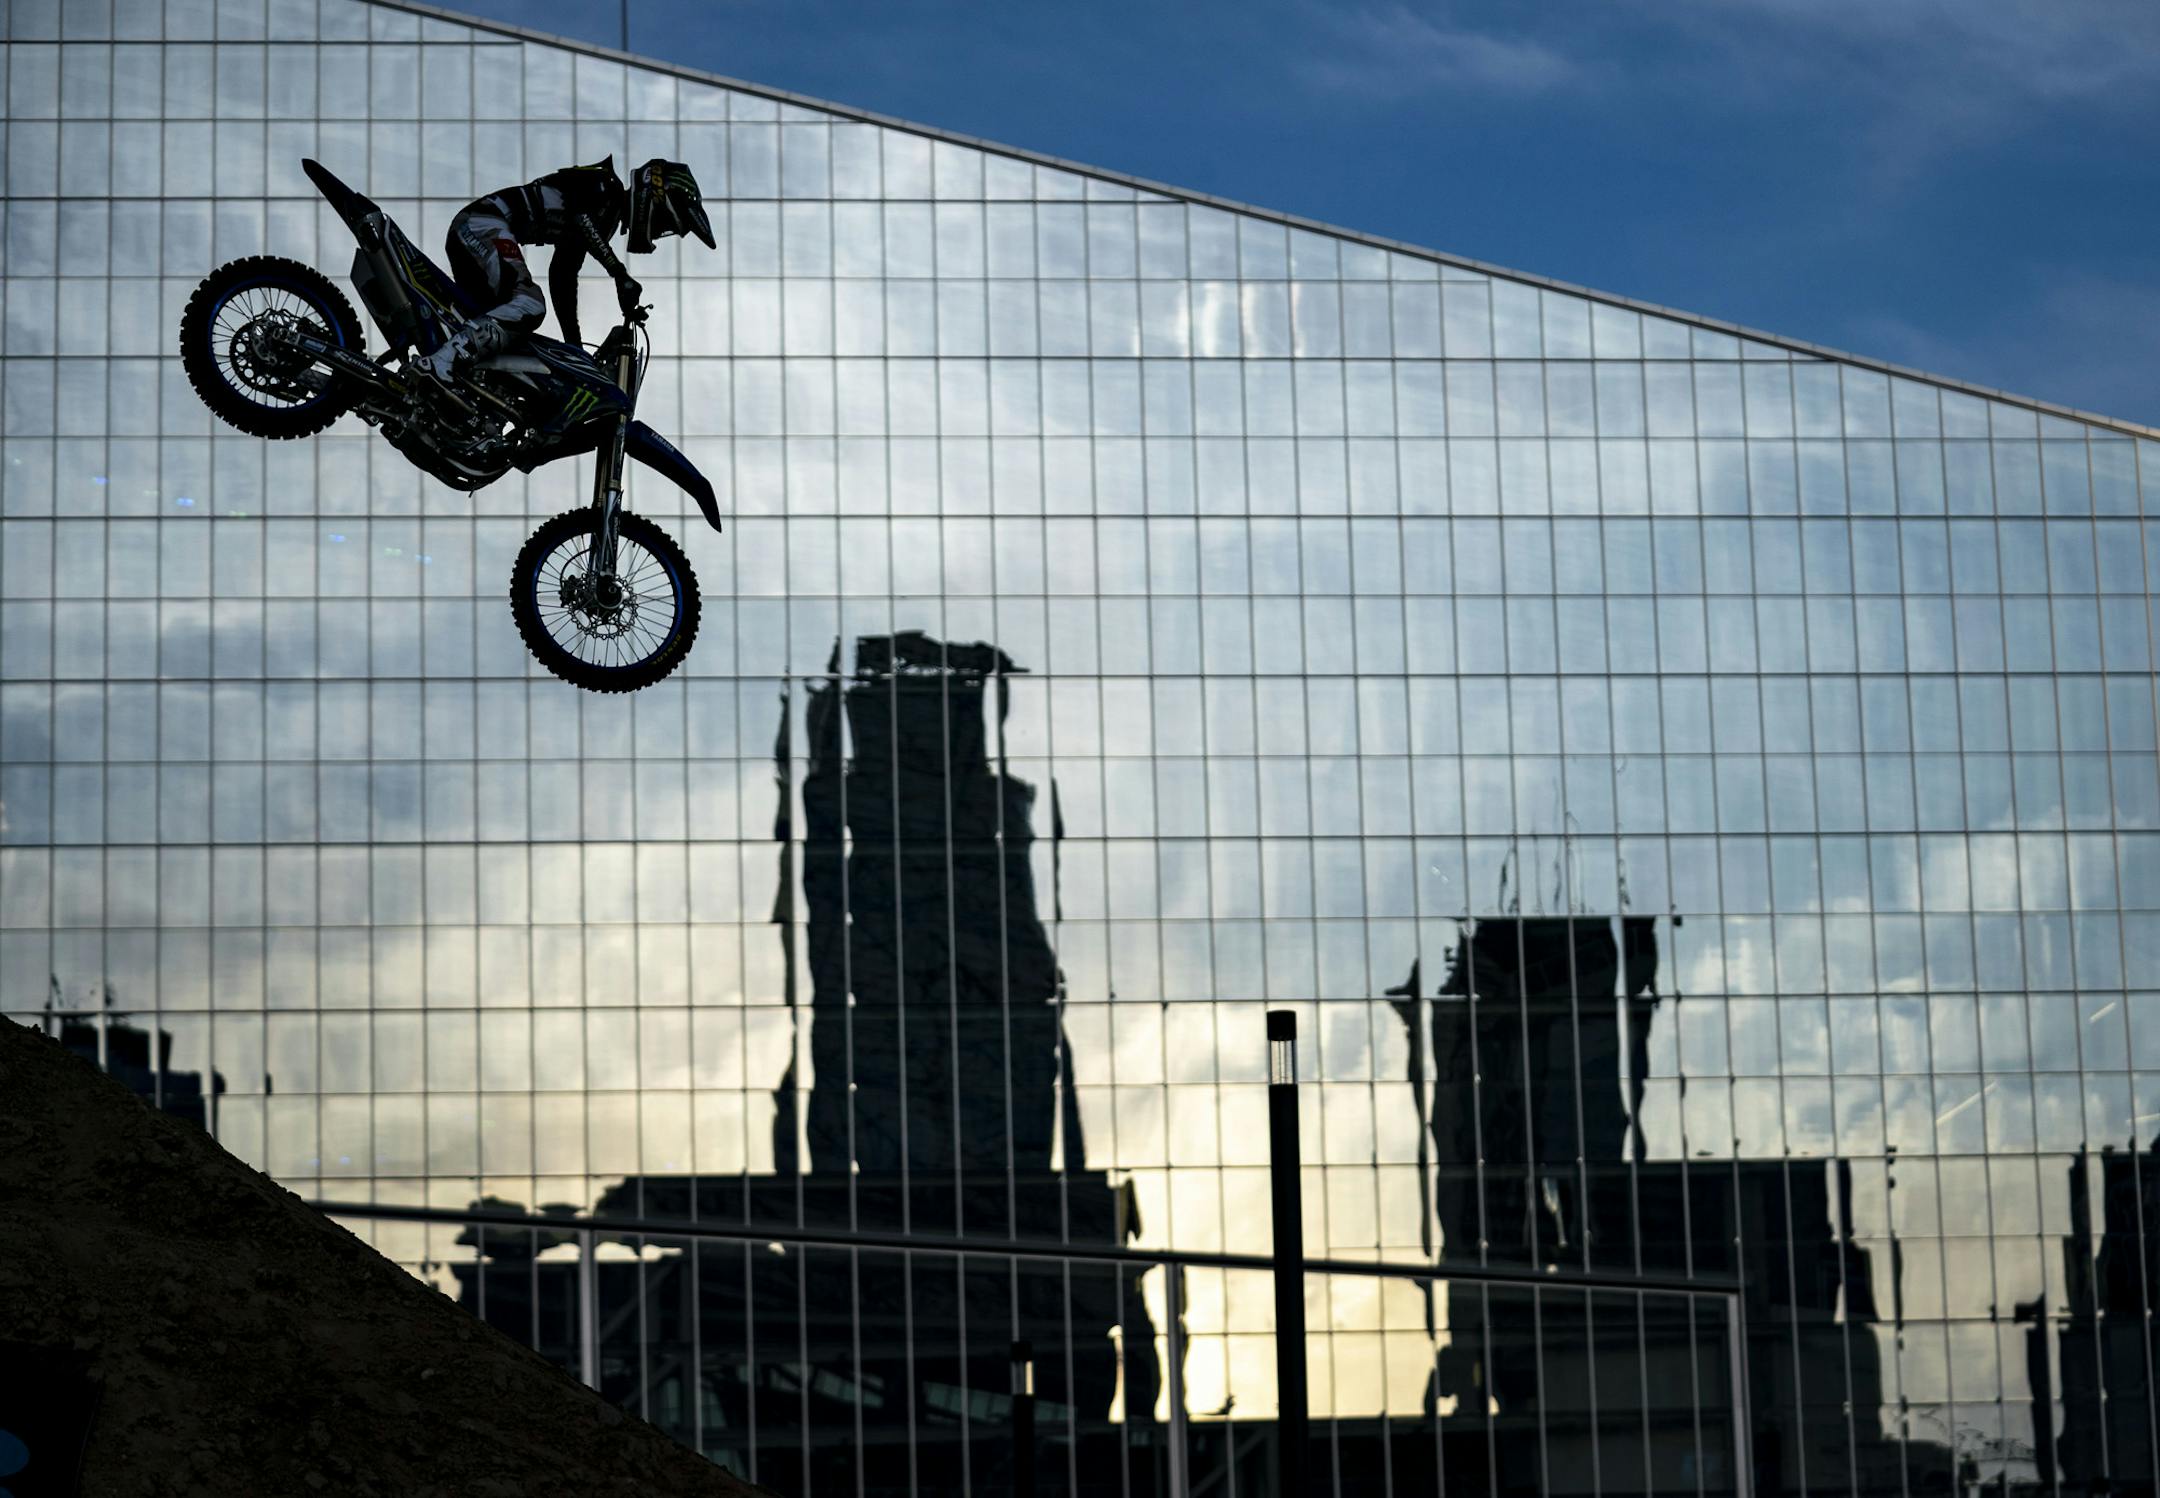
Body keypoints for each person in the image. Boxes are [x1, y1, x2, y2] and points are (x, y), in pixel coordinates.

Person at [422, 156, 715, 380]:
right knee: (528, 303)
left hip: (480, 228)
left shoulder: (605, 220)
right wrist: (619, 274)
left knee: (503, 332)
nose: (658, 231)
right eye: (664, 223)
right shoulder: (604, 186)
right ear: (654, 195)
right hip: (486, 223)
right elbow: (581, 220)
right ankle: (445, 359)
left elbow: (562, 275)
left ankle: (453, 378)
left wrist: (574, 349)